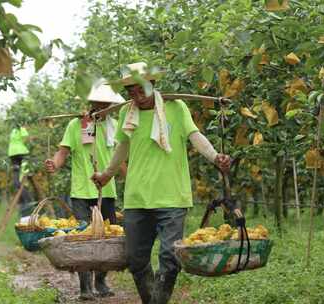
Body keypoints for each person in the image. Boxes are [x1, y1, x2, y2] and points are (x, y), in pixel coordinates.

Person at [92, 62, 231, 304]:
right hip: (137, 197)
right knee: (136, 259)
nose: (137, 96)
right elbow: (122, 148)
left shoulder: (176, 108)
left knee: (169, 257)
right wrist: (106, 174)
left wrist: (215, 157)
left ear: (153, 84)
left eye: (141, 90)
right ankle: (152, 300)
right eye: (131, 92)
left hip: (172, 196)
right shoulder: (127, 113)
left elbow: (194, 136)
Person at [44, 84, 126, 301]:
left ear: (110, 106)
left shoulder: (115, 127)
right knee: (82, 237)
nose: (101, 107)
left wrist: (134, 177)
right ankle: (85, 286)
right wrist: (54, 164)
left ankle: (100, 279)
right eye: (98, 103)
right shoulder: (76, 125)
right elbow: (63, 152)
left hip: (106, 190)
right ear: (91, 103)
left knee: (107, 237)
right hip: (82, 190)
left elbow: (121, 160)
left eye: (106, 104)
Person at [7, 123, 33, 216]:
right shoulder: (21, 128)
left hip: (12, 154)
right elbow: (26, 137)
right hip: (21, 153)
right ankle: (28, 201)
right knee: (24, 176)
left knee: (16, 177)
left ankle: (23, 201)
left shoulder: (13, 131)